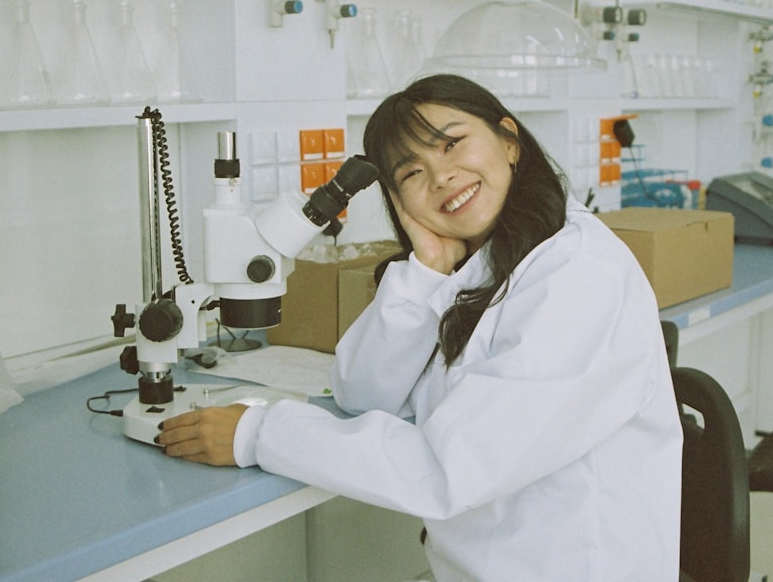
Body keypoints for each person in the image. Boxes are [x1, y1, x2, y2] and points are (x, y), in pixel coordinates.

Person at [159, 74, 683, 580]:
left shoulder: (577, 274)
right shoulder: (485, 265)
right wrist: (424, 274)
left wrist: (258, 433)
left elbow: (446, 469)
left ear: (509, 141)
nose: (440, 177)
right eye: (411, 173)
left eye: (453, 144)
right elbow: (361, 392)